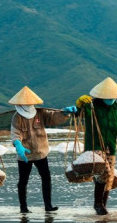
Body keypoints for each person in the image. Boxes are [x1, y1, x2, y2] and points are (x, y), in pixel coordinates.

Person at [67, 77, 117, 216]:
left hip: (110, 147)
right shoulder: (92, 106)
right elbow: (78, 113)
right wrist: (79, 104)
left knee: (110, 177)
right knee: (105, 173)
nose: (111, 98)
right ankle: (97, 204)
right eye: (108, 96)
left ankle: (103, 205)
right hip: (94, 147)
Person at [8, 85, 72, 214]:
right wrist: (18, 144)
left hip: (41, 152)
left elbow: (53, 118)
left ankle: (48, 205)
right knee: (23, 180)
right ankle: (23, 207)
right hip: (25, 154)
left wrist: (64, 113)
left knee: (46, 177)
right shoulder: (17, 117)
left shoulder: (40, 112)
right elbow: (15, 133)